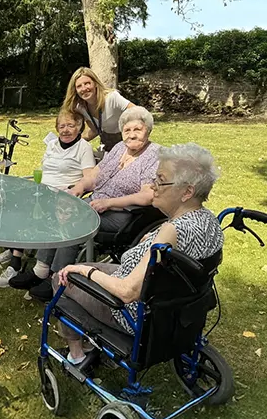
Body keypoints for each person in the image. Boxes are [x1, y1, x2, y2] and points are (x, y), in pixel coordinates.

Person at [54, 143, 225, 366]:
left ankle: (78, 352)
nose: (153, 186)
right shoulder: (209, 221)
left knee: (61, 279)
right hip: (175, 306)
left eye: (161, 180)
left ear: (187, 192)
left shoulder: (171, 232)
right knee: (83, 273)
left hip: (135, 311)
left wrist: (84, 270)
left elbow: (127, 292)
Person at [9, 106, 160, 301]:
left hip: (125, 214)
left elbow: (147, 196)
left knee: (73, 221)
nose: (131, 135)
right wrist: (76, 189)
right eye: (127, 130)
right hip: (96, 202)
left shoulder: (154, 154)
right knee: (59, 209)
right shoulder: (119, 149)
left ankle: (57, 278)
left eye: (137, 130)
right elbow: (95, 175)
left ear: (148, 130)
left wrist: (109, 202)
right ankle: (41, 269)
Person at [0, 109, 96, 287]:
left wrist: (70, 189)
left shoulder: (83, 148)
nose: (65, 130)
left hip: (63, 196)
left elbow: (89, 178)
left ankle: (24, 264)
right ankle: (14, 250)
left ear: (79, 127)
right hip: (42, 190)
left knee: (37, 210)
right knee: (15, 203)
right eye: (61, 126)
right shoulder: (52, 144)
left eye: (70, 125)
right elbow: (44, 168)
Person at [61, 67, 135, 153]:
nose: (84, 88)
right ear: (75, 90)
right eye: (79, 86)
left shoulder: (112, 97)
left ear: (95, 83)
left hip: (128, 145)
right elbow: (95, 130)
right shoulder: (81, 108)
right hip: (108, 148)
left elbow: (140, 114)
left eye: (87, 83)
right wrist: (74, 142)